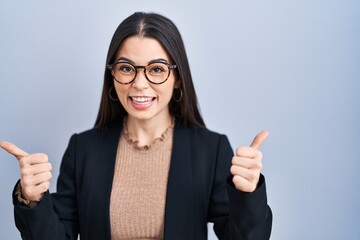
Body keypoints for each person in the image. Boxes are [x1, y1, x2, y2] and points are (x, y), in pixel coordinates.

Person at [0, 12, 272, 240]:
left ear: (178, 78)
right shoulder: (83, 149)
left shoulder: (210, 150)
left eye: (156, 69)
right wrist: (32, 199)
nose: (139, 84)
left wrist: (247, 193)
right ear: (113, 75)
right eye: (127, 68)